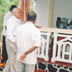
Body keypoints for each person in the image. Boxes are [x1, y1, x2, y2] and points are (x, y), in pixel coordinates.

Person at [3, 8, 23, 72]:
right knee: (13, 59)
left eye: (21, 12)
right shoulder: (11, 20)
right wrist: (15, 41)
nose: (21, 14)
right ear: (14, 13)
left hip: (16, 40)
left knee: (11, 58)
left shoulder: (19, 20)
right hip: (11, 41)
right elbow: (9, 33)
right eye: (19, 12)